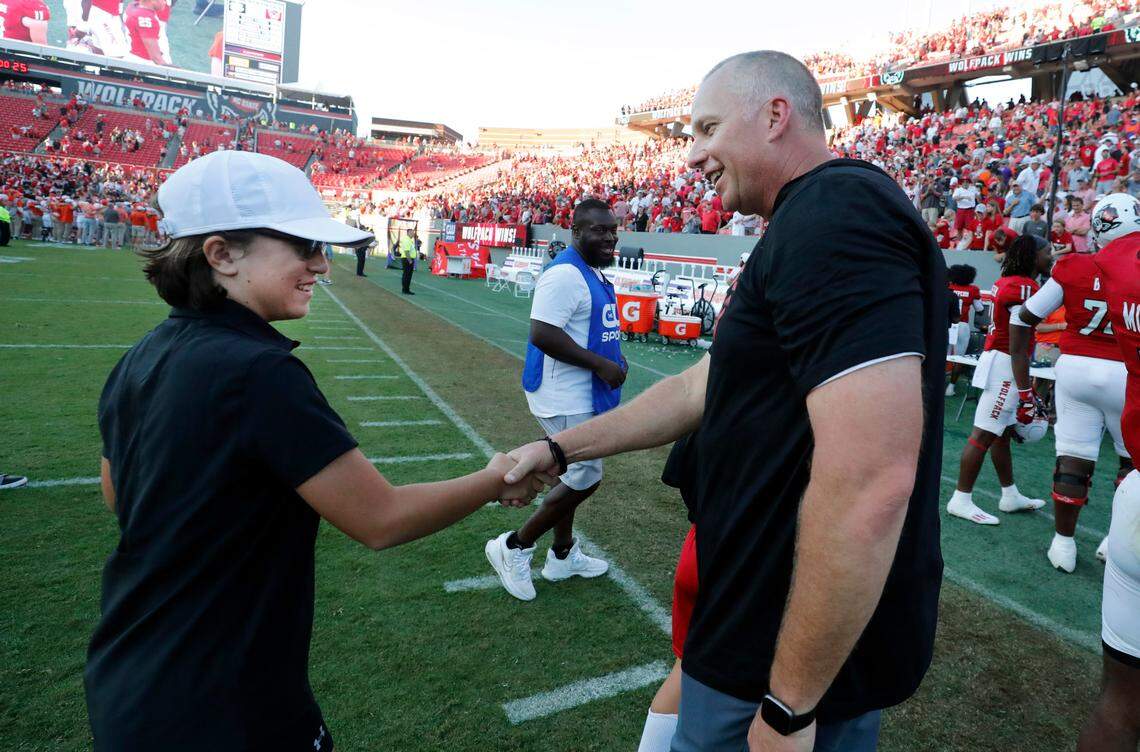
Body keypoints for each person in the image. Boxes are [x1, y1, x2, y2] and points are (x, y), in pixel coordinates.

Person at [503, 50, 945, 751]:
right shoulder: (806, 219)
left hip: (779, 657)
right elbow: (701, 386)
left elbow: (872, 478)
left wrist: (790, 706)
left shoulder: (836, 212)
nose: (691, 155)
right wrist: (561, 447)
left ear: (776, 116)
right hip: (751, 628)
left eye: (707, 128)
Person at [85, 151, 542, 751]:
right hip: (223, 701)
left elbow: (118, 496)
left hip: (131, 676)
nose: (322, 265)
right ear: (221, 255)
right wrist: (493, 477)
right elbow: (382, 519)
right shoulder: (258, 371)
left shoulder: (141, 355)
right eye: (303, 246)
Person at [485, 198, 624, 601]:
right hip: (562, 394)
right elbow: (543, 334)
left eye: (612, 230)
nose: (609, 237)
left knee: (573, 473)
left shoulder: (590, 272)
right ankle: (514, 545)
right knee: (585, 477)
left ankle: (562, 555)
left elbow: (589, 327)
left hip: (579, 391)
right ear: (576, 232)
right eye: (599, 230)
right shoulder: (565, 274)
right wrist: (600, 364)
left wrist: (614, 358)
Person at [1011, 235, 1130, 572]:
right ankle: (1115, 541)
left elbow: (1024, 317)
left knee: (1073, 460)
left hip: (1076, 368)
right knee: (1131, 465)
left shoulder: (1074, 266)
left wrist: (1023, 384)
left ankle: (1063, 543)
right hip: (1126, 371)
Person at [1079, 193, 1140, 752]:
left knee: (1120, 700)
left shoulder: (1099, 266)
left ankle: (1060, 539)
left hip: (1138, 497)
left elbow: (1027, 316)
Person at [947, 234, 1053, 525]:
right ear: (1032, 257)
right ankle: (961, 498)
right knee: (983, 434)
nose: (1051, 257)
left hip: (1001, 359)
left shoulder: (1011, 281)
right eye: (1048, 252)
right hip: (1007, 362)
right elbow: (1018, 345)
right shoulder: (1024, 287)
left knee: (1001, 435)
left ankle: (1009, 494)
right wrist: (1025, 390)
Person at [397, 228, 416, 294]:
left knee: (407, 275)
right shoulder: (407, 240)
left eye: (413, 232)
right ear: (408, 233)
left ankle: (406, 289)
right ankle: (405, 290)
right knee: (407, 275)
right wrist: (410, 261)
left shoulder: (408, 240)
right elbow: (406, 251)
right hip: (407, 259)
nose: (413, 234)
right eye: (412, 232)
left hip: (407, 259)